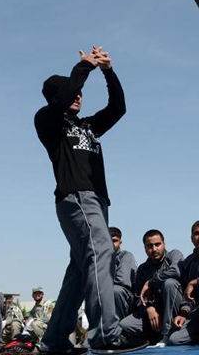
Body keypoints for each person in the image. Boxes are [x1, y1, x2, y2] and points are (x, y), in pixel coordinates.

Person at [34, 46, 137, 354]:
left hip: (98, 201)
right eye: (73, 92)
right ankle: (105, 332)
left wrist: (107, 71)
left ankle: (54, 341)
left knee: (80, 270)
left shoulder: (88, 126)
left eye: (79, 92)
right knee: (101, 252)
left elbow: (118, 108)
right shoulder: (48, 122)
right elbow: (66, 95)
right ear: (59, 96)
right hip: (76, 198)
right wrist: (83, 68)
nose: (79, 96)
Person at [122, 230, 184, 348]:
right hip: (153, 314)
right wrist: (149, 308)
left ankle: (168, 334)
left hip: (176, 311)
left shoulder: (174, 255)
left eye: (157, 244)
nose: (154, 249)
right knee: (124, 325)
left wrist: (151, 282)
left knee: (170, 283)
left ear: (164, 244)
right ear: (145, 248)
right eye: (150, 246)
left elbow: (176, 271)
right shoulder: (142, 269)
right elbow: (138, 298)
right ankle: (153, 337)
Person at [109, 227, 138, 320]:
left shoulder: (125, 256)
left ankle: (118, 328)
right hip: (105, 295)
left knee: (116, 290)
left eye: (114, 241)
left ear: (120, 242)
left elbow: (122, 281)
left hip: (126, 298)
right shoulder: (99, 260)